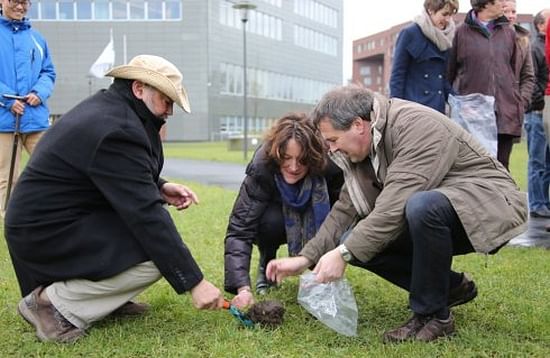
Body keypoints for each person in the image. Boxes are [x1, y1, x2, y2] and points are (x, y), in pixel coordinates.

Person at [266, 86, 527, 343]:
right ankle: (449, 288)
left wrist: (343, 253)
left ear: (358, 125)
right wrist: (305, 258)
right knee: (355, 236)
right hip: (442, 207)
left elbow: (393, 210)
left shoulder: (417, 127)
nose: (331, 149)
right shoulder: (366, 147)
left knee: (419, 208)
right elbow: (346, 208)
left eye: (332, 140)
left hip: (489, 204)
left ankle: (434, 317)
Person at [4, 55, 224, 343]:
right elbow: (146, 216)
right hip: (45, 234)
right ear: (138, 89)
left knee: (146, 243)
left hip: (53, 223)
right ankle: (52, 305)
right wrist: (195, 282)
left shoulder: (112, 111)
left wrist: (158, 186)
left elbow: (104, 171)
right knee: (154, 254)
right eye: (166, 100)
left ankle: (104, 302)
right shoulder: (117, 128)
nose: (169, 111)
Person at [224, 113, 343, 308]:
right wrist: (242, 288)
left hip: (315, 223)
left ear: (312, 157)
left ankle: (318, 274)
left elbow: (343, 216)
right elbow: (239, 230)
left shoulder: (329, 166)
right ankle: (266, 262)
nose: (294, 167)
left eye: (302, 160)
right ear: (276, 154)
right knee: (270, 220)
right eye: (286, 158)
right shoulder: (262, 168)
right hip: (275, 223)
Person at [447, 0, 533, 170]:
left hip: (504, 115)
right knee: (474, 172)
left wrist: (519, 103)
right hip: (472, 119)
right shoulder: (461, 33)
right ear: (485, 4)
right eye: (499, 1)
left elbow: (516, 74)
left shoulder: (509, 33)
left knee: (501, 172)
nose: (503, 4)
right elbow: (450, 74)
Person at [0, 0, 55, 218]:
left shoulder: (37, 38)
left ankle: (50, 214)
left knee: (53, 168)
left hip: (35, 120)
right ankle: (6, 219)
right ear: (3, 1)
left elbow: (48, 72)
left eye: (25, 2)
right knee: (6, 176)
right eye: (15, 1)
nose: (20, 7)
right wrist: (8, 100)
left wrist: (38, 93)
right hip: (4, 121)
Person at [389, 0, 458, 114]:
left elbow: (443, 80)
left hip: (437, 110)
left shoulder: (447, 39)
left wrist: (458, 102)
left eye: (450, 15)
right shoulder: (409, 33)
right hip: (413, 110)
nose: (448, 19)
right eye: (444, 14)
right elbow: (397, 76)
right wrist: (395, 110)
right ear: (430, 10)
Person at [524, 10, 550, 219]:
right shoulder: (534, 48)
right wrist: (539, 104)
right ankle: (536, 203)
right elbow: (531, 80)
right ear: (541, 25)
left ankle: (544, 201)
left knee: (546, 161)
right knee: (537, 161)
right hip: (537, 112)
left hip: (543, 110)